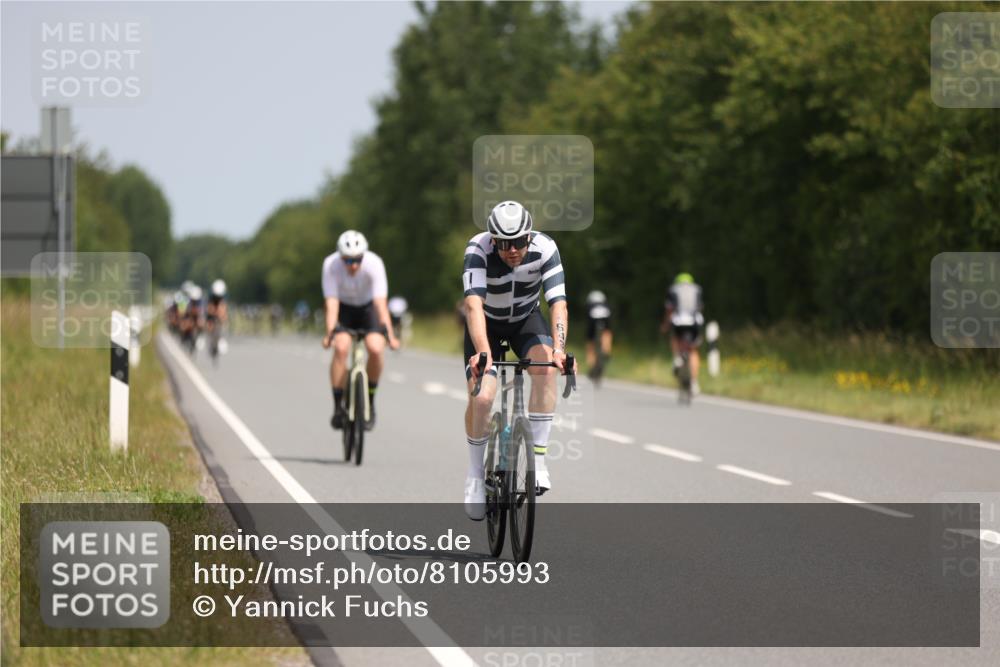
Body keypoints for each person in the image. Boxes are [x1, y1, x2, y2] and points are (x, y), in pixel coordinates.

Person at [462, 200, 571, 520]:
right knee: (482, 398)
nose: (513, 250)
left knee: (547, 367)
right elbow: (472, 307)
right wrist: (483, 352)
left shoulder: (546, 248)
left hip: (526, 320)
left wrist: (560, 350)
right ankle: (474, 475)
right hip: (486, 325)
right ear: (492, 239)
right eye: (505, 243)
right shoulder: (477, 250)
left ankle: (539, 459)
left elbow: (558, 304)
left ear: (530, 236)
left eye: (520, 242)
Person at [321, 230, 400, 431]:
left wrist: (390, 335)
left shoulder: (374, 264)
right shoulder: (331, 265)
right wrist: (330, 332)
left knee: (375, 348)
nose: (353, 265)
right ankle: (338, 406)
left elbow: (381, 304)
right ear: (341, 257)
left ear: (363, 255)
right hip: (344, 309)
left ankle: (370, 402)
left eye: (357, 260)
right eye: (347, 261)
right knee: (341, 347)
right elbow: (331, 304)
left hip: (368, 309)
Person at [661, 272, 704, 395]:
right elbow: (700, 307)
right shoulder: (697, 289)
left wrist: (665, 324)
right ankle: (694, 382)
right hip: (694, 321)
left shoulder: (673, 289)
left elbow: (669, 309)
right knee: (694, 350)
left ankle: (677, 359)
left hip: (678, 320)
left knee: (675, 338)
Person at [584, 290, 613, 380]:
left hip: (593, 323)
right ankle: (607, 350)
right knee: (607, 332)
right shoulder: (606, 306)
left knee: (590, 343)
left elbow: (587, 320)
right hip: (605, 321)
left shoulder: (590, 306)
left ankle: (591, 363)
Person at [205, 280, 229, 359]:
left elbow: (224, 309)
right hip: (211, 316)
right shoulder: (210, 298)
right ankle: (211, 338)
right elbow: (209, 309)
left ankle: (220, 337)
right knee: (209, 326)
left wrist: (222, 318)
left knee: (223, 320)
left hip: (219, 315)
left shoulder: (223, 299)